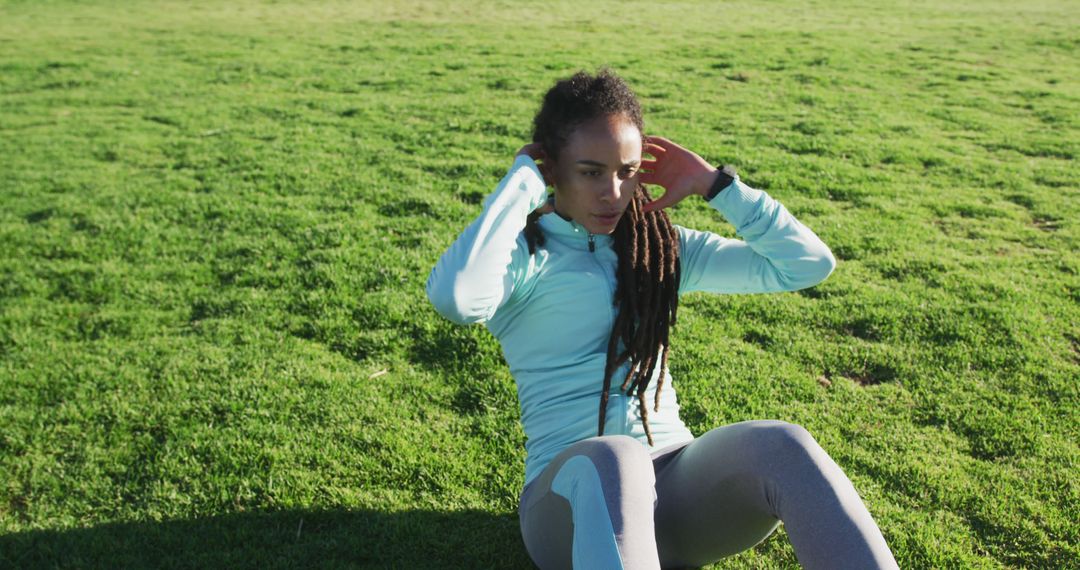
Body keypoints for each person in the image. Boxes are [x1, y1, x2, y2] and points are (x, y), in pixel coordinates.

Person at [426, 68, 899, 570]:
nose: (613, 192)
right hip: (568, 506)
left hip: (677, 495)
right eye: (590, 172)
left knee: (783, 445)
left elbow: (806, 265)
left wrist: (716, 186)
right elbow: (457, 298)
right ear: (553, 168)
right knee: (615, 457)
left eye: (626, 171)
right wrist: (520, 184)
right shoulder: (524, 255)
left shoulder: (657, 248)